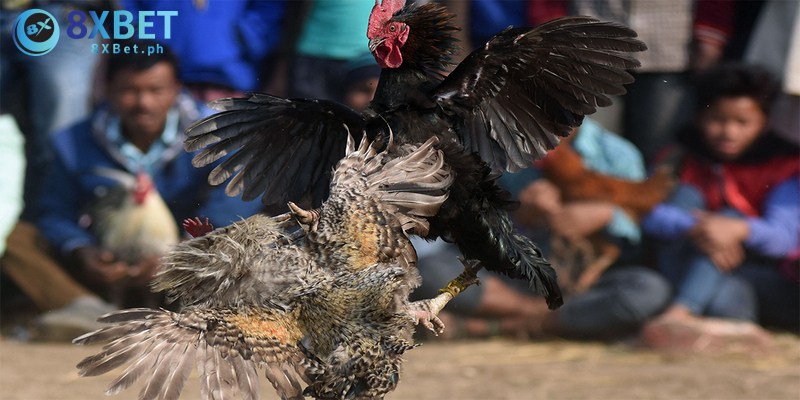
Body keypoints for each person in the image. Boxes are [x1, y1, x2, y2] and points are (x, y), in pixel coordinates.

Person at [0, 43, 262, 340]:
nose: (143, 102)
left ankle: (197, 316)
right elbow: (53, 211)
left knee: (250, 242)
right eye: (130, 90)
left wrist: (179, 253)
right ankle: (85, 310)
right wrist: (81, 249)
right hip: (105, 268)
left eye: (155, 90)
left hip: (189, 267)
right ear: (108, 89)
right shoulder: (73, 142)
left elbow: (231, 206)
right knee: (17, 240)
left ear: (177, 89)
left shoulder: (218, 137)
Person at [412, 118, 673, 341]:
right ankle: (542, 316)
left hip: (587, 282)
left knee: (648, 289)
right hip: (514, 278)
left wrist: (607, 216)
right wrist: (521, 216)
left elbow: (638, 239)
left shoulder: (618, 154)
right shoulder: (497, 151)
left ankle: (492, 327)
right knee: (431, 271)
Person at [641, 64, 799, 350]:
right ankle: (705, 322)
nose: (728, 132)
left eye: (742, 122)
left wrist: (737, 228)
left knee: (731, 282)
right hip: (685, 259)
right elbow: (645, 211)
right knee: (686, 197)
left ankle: (680, 313)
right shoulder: (679, 158)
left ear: (764, 123)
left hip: (754, 271)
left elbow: (783, 239)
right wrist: (699, 228)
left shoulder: (782, 167)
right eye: (717, 119)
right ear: (700, 118)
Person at [122, 0, 287, 102]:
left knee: (228, 155)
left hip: (233, 86)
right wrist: (149, 44)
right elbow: (128, 8)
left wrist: (243, 37)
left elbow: (268, 9)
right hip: (164, 87)